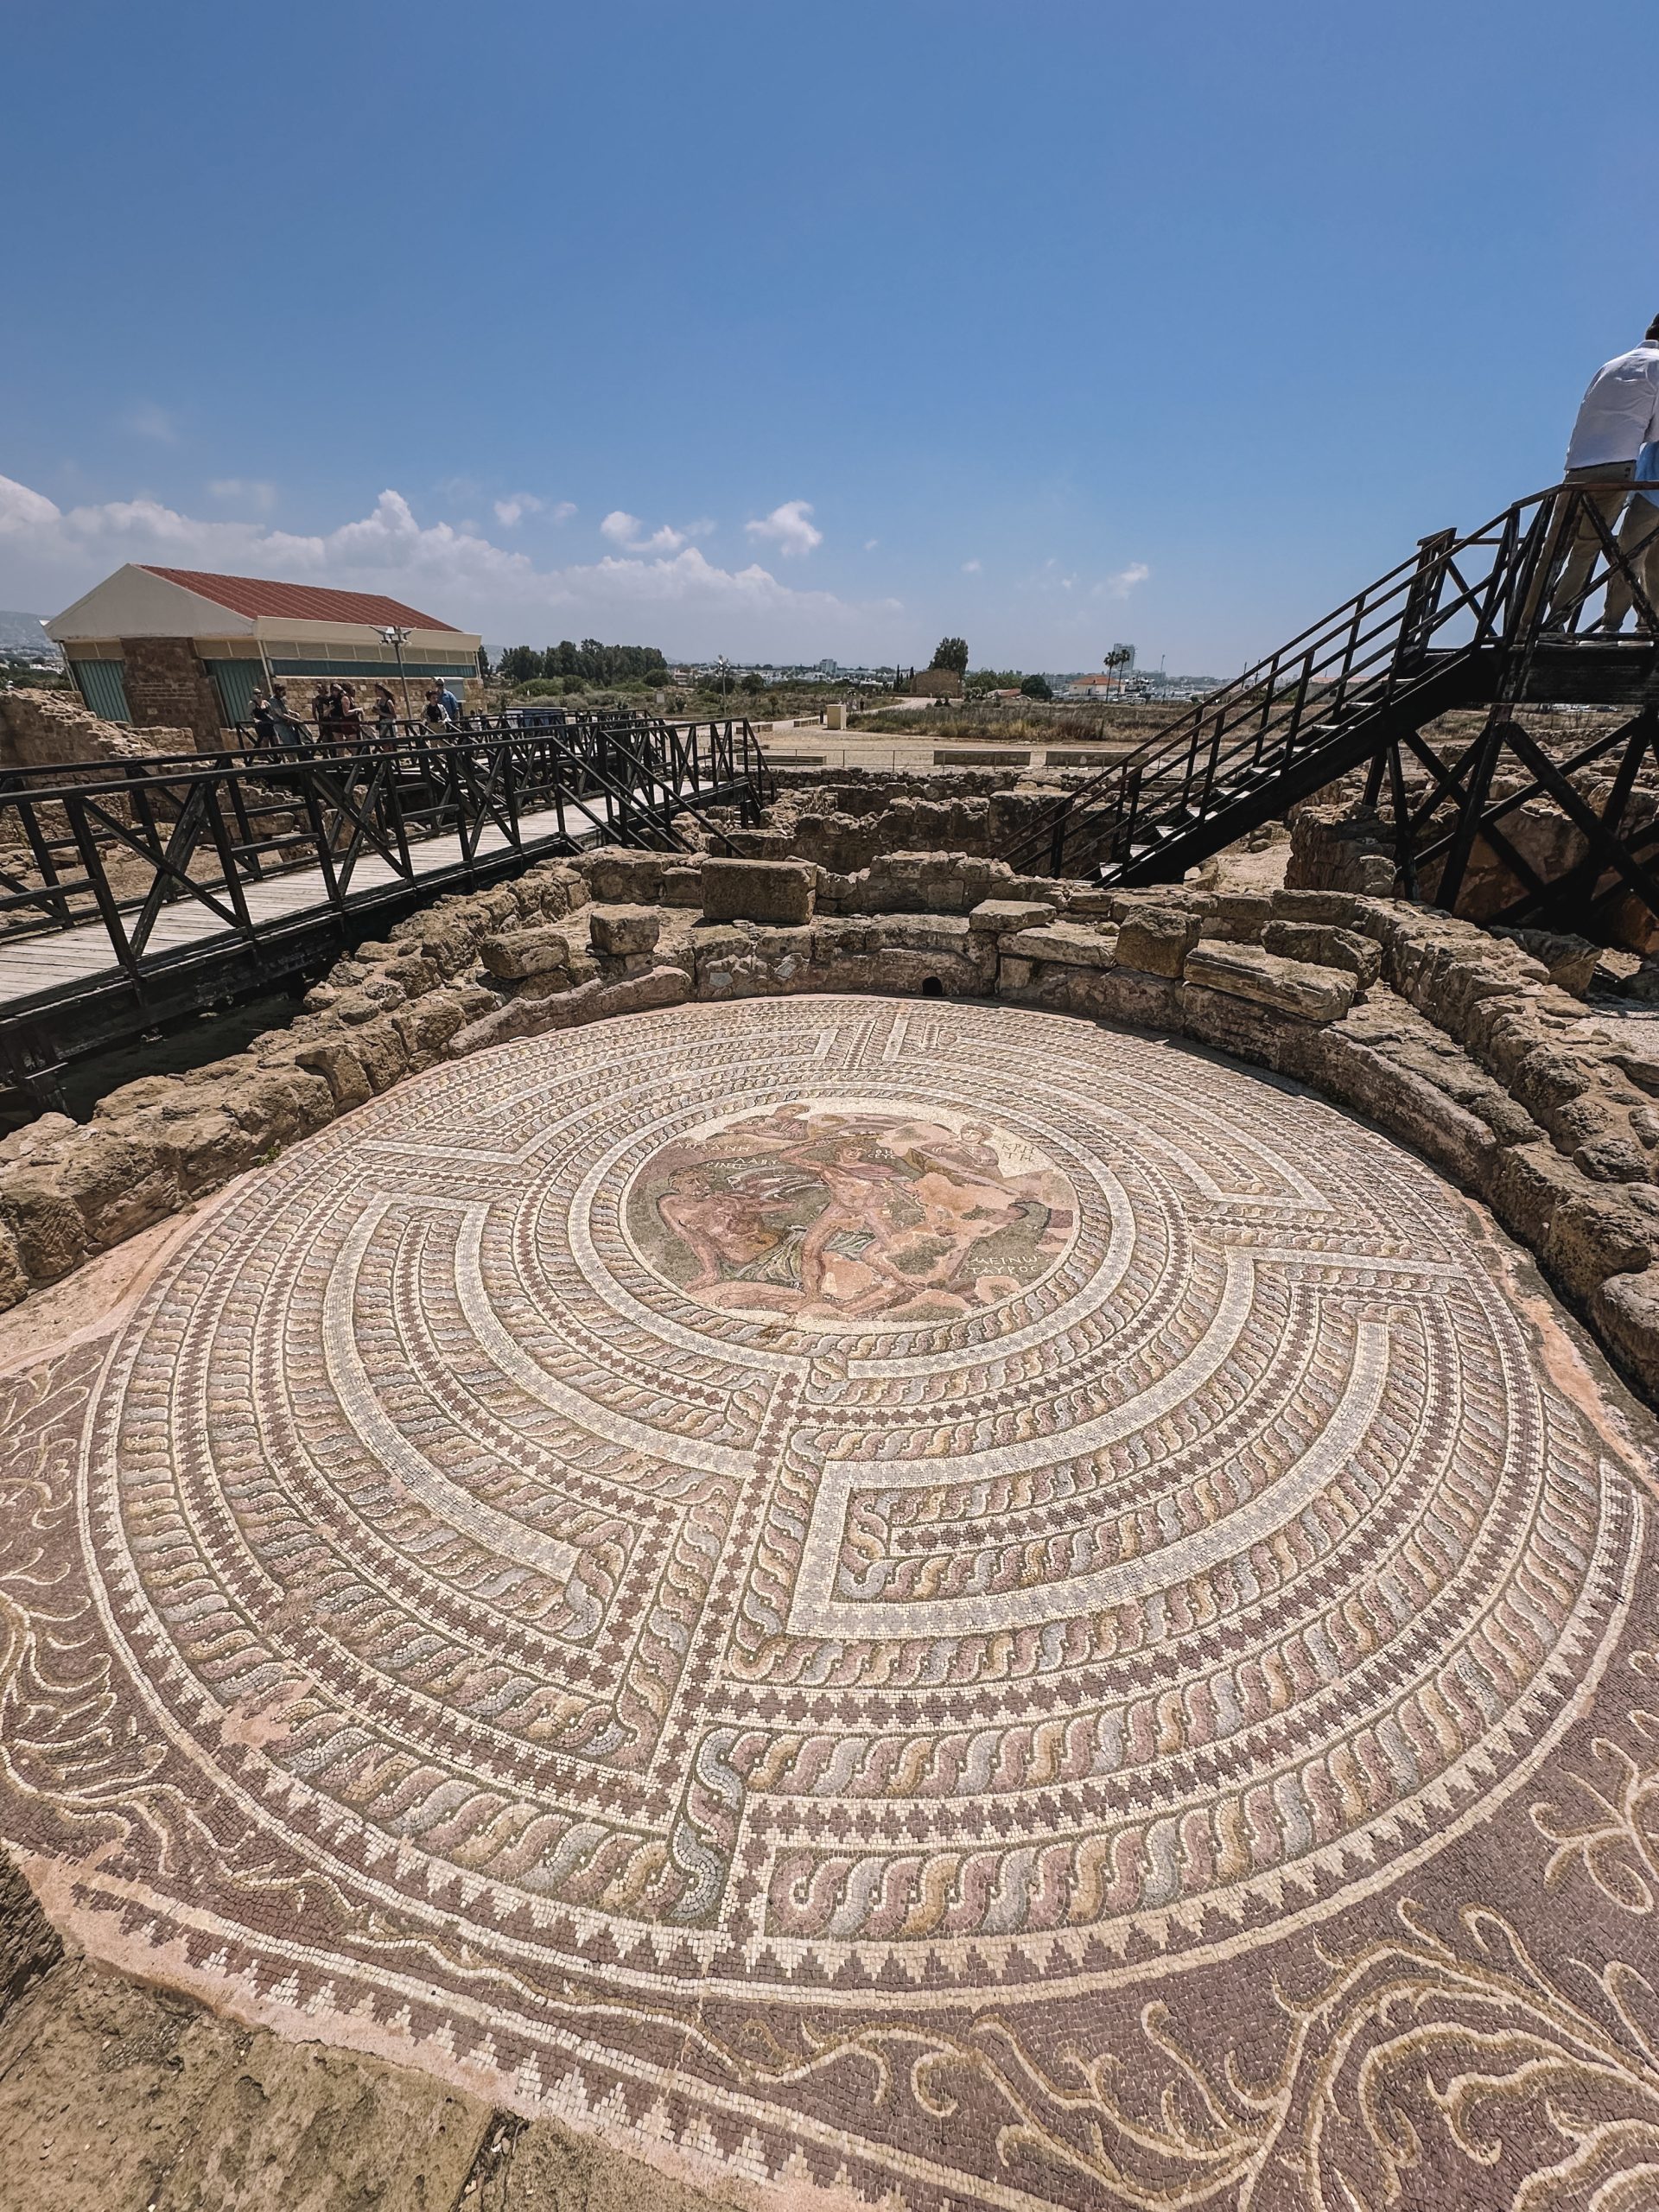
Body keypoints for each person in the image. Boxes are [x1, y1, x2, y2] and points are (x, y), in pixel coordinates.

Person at [1544, 315, 1659, 631]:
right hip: (1646, 482)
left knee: (1628, 556)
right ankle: (1641, 625)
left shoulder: (1617, 367)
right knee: (1635, 557)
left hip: (1641, 483)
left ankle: (1615, 625)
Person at [1599, 441, 1659, 637]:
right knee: (1647, 565)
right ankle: (1649, 625)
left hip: (1651, 492)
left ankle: (1611, 625)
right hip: (1650, 489)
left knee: (1627, 561)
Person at [372, 683, 398, 747]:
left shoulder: (389, 702)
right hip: (382, 724)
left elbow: (394, 716)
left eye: (376, 690)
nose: (375, 692)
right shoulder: (379, 701)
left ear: (381, 691)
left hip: (389, 724)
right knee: (384, 744)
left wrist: (381, 713)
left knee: (390, 743)